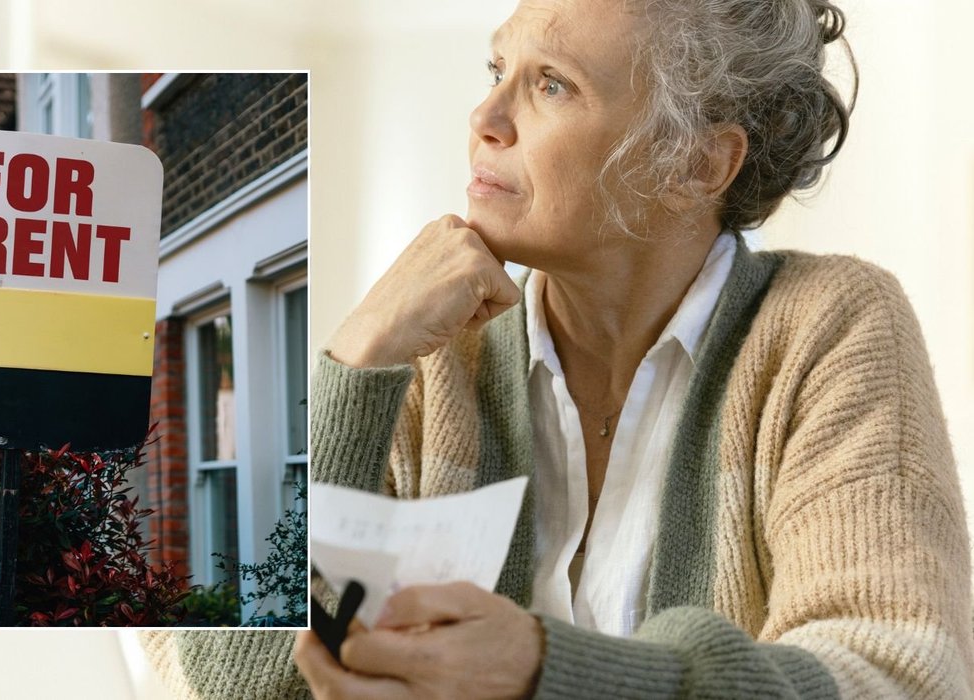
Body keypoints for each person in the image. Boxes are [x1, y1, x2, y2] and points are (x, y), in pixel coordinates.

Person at [142, 0, 974, 696]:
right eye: (495, 71)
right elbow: (231, 681)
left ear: (697, 161)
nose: (485, 119)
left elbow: (898, 672)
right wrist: (355, 366)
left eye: (550, 84)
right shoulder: (429, 357)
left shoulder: (826, 324)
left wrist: (548, 671)